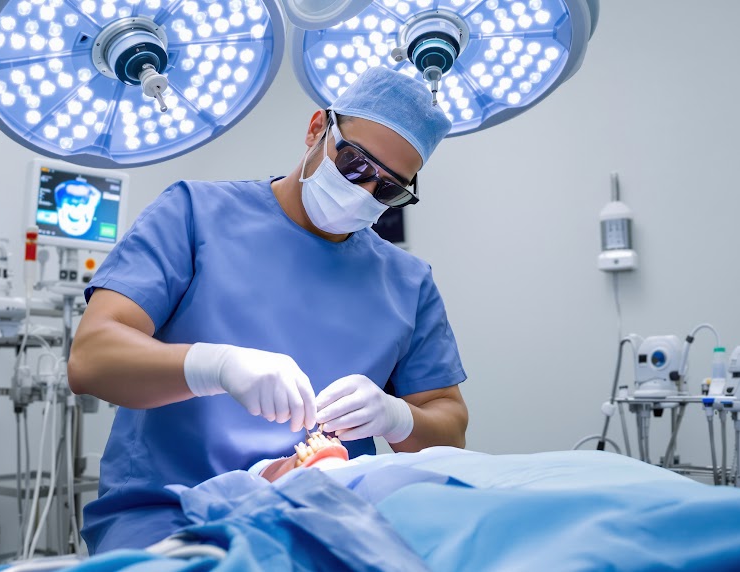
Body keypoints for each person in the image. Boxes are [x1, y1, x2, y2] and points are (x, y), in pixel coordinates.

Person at [68, 66, 469, 553]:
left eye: (388, 190)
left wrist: (396, 417)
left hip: (324, 519)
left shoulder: (407, 283)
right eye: (355, 165)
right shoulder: (194, 213)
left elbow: (449, 427)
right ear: (317, 129)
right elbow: (91, 359)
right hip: (168, 515)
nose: (364, 193)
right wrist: (214, 365)